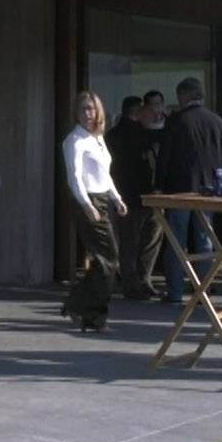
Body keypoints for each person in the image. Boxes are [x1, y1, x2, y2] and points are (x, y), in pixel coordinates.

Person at [154, 77, 222, 304]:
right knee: (204, 241)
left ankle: (175, 291)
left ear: (183, 95)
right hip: (209, 191)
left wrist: (159, 186)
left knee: (176, 242)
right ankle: (203, 291)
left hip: (179, 190)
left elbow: (165, 157)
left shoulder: (177, 122)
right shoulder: (218, 122)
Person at [60, 92, 125, 332]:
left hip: (103, 199)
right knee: (109, 258)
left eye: (92, 109)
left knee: (106, 260)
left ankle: (87, 311)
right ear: (76, 113)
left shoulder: (97, 139)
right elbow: (74, 178)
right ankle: (84, 308)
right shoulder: (74, 141)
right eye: (84, 109)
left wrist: (116, 198)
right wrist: (87, 205)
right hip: (87, 200)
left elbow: (105, 174)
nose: (89, 114)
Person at [107, 95, 159, 300]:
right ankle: (143, 281)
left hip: (123, 194)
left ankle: (132, 283)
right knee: (149, 240)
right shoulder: (144, 135)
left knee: (129, 242)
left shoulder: (112, 136)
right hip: (145, 194)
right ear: (138, 112)